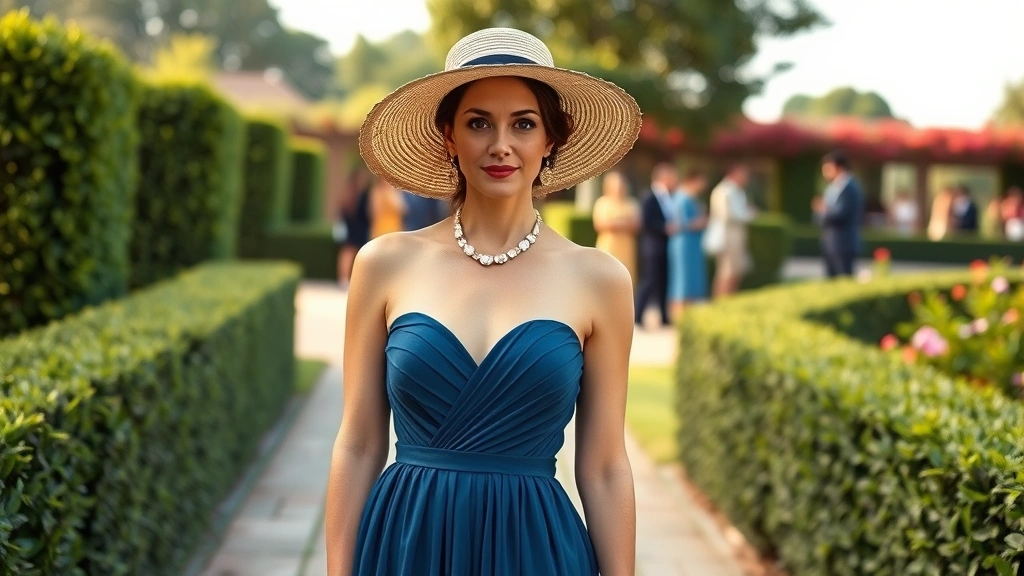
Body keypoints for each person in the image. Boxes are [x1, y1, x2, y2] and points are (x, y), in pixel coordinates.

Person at [326, 27, 640, 576]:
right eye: (478, 123)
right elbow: (357, 444)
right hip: (407, 544)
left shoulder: (599, 279)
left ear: (550, 140)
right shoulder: (384, 264)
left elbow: (606, 466)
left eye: (523, 123)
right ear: (448, 136)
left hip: (535, 549)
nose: (501, 144)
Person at [633, 163, 678, 327]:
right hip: (652, 246)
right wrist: (664, 227)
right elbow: (646, 222)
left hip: (665, 245)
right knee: (650, 280)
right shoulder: (649, 197)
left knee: (663, 281)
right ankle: (638, 315)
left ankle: (664, 316)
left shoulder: (668, 197)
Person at [812, 150, 864, 278]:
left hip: (843, 243)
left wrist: (822, 210)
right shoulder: (834, 187)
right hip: (831, 242)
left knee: (843, 280)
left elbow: (841, 214)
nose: (825, 172)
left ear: (839, 167)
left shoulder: (850, 188)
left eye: (828, 168)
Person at [705, 164, 753, 297]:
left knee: (736, 272)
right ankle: (720, 303)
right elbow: (727, 215)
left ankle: (729, 301)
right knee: (726, 272)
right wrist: (748, 215)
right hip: (727, 238)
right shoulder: (723, 191)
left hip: (737, 237)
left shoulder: (738, 191)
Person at [667, 169, 708, 319]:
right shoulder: (682, 197)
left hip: (692, 244)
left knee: (691, 280)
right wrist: (699, 222)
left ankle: (688, 316)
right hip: (684, 244)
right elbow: (680, 223)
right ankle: (678, 316)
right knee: (682, 280)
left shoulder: (689, 197)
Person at [593, 170, 641, 283]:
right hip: (609, 246)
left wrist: (616, 223)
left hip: (627, 248)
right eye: (616, 186)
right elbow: (600, 224)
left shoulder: (632, 203)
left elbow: (636, 225)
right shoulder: (602, 203)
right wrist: (624, 223)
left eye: (621, 185)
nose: (619, 189)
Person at [335, 171, 371, 288]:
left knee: (348, 253)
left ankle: (344, 278)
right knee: (351, 253)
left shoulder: (349, 194)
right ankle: (346, 278)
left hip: (352, 226)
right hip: (358, 227)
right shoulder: (361, 195)